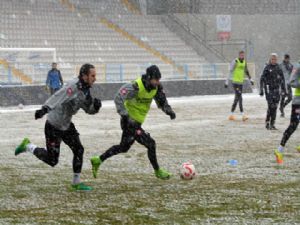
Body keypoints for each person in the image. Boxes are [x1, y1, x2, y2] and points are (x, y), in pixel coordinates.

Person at [15, 64, 102, 191]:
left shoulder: (86, 91)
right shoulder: (74, 86)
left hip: (66, 126)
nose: (95, 78)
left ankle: (76, 183)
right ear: (84, 76)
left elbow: (88, 109)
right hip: (53, 126)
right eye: (92, 76)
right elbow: (59, 95)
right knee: (52, 161)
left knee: (79, 150)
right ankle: (28, 146)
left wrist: (95, 107)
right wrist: (45, 109)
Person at [90, 65, 176, 180]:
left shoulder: (157, 88)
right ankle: (158, 171)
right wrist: (125, 115)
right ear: (149, 77)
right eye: (155, 79)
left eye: (158, 79)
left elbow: (162, 102)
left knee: (123, 148)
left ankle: (98, 160)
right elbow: (118, 97)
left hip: (137, 123)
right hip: (129, 122)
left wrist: (168, 110)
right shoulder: (135, 86)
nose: (157, 82)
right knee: (151, 144)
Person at [275, 65, 300, 164]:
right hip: (298, 102)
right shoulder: (298, 66)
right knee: (293, 126)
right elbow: (291, 82)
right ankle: (279, 149)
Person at [225, 50, 254, 121]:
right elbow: (230, 71)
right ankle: (243, 115)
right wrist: (226, 82)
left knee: (237, 99)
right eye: (241, 55)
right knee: (240, 98)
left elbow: (246, 71)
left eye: (243, 55)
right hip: (235, 82)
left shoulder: (244, 62)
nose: (242, 56)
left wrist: (251, 80)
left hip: (241, 83)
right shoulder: (235, 61)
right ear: (238, 55)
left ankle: (231, 115)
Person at [260, 53, 286, 130]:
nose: (273, 60)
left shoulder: (278, 67)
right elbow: (262, 79)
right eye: (272, 59)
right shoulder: (267, 68)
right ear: (270, 59)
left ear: (276, 60)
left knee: (275, 107)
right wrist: (261, 89)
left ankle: (272, 124)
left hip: (277, 90)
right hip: (269, 90)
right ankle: (267, 122)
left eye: (275, 59)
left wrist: (284, 89)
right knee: (271, 106)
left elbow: (282, 79)